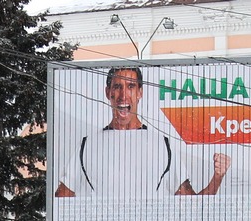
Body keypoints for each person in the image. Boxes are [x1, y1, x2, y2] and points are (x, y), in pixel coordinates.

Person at [55, 67, 230, 198]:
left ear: (140, 93)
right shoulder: (87, 144)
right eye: (117, 86)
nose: (124, 95)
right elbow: (62, 201)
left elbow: (193, 208)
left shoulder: (162, 144)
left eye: (130, 86)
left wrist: (217, 177)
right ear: (108, 93)